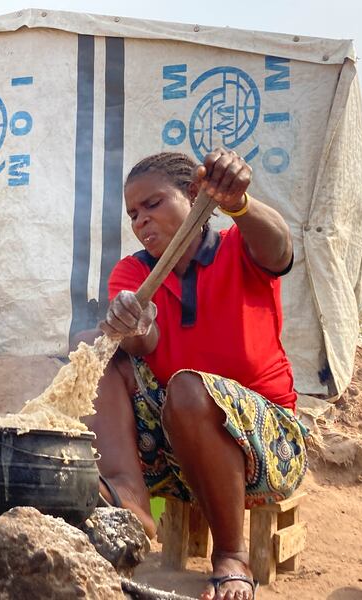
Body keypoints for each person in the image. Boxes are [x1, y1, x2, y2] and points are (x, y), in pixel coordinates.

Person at [80, 149, 308, 600]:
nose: (141, 220)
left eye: (153, 204)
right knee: (95, 351)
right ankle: (130, 495)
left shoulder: (238, 248)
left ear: (192, 195)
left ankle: (231, 555)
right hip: (176, 455)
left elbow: (280, 248)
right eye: (132, 213)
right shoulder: (133, 272)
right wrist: (133, 325)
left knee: (187, 385)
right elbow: (145, 342)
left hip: (267, 449)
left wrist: (240, 204)